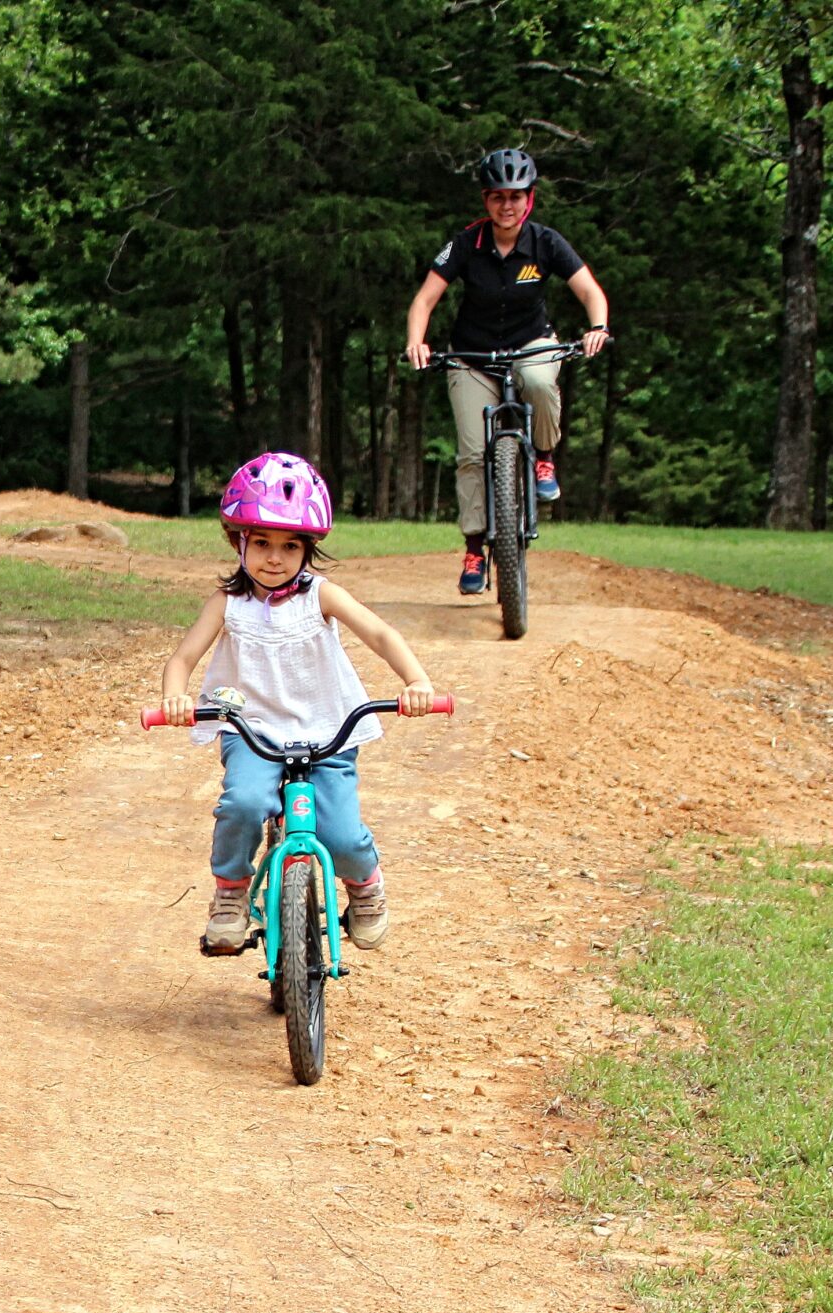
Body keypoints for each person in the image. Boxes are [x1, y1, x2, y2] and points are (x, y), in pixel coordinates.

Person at [159, 452, 438, 954]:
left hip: (327, 729)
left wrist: (416, 680)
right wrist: (175, 697)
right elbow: (182, 658)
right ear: (237, 541)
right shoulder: (227, 603)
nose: (274, 557)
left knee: (343, 835)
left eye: (291, 545)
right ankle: (231, 893)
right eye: (261, 542)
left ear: (308, 549)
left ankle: (365, 887)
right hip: (253, 730)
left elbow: (377, 632)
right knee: (242, 804)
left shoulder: (322, 596)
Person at [404, 148, 610, 594]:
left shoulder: (546, 243)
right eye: (497, 197)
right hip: (472, 355)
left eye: (515, 196)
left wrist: (597, 327)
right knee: (474, 453)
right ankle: (476, 548)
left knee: (538, 380)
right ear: (486, 200)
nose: (507, 205)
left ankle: (546, 460)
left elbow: (591, 291)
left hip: (531, 343)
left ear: (529, 199)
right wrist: (417, 342)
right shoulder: (464, 244)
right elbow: (424, 300)